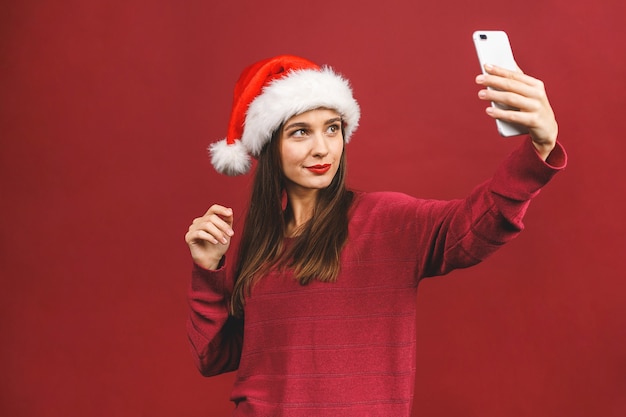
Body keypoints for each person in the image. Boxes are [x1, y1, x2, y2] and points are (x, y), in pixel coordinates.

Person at [184, 54, 566, 416]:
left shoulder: (386, 221)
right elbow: (216, 356)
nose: (322, 149)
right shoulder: (258, 242)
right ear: (269, 146)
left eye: (332, 128)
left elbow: (476, 224)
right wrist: (208, 268)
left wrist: (539, 149)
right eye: (300, 132)